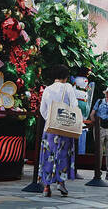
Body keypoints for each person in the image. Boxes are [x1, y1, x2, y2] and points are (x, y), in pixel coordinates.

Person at [39, 64, 79, 198]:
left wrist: (50, 120)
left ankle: (46, 186)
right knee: (62, 155)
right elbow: (74, 106)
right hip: (64, 128)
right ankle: (61, 183)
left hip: (49, 128)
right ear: (66, 77)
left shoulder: (47, 89)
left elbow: (42, 110)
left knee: (48, 155)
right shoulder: (68, 88)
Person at [90, 86, 108, 180]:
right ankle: (97, 172)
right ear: (107, 94)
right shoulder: (99, 102)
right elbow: (92, 114)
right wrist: (96, 126)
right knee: (99, 151)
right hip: (100, 127)